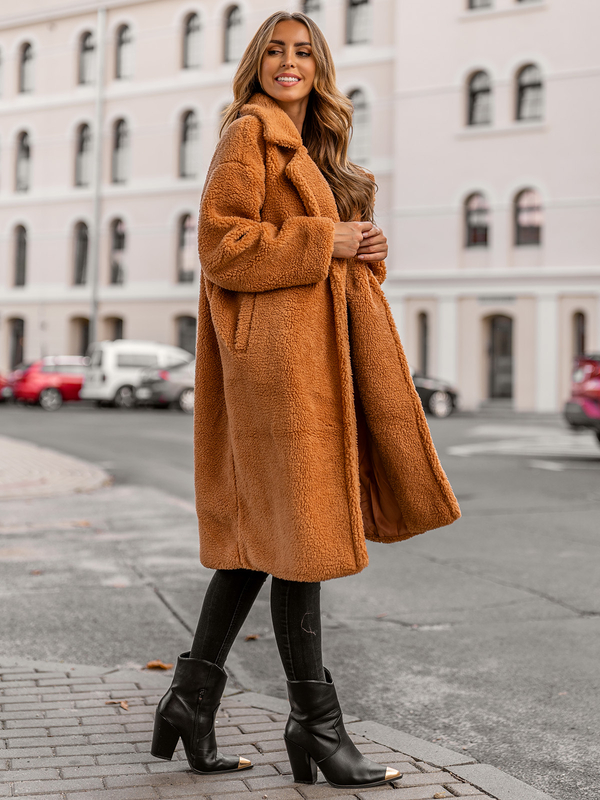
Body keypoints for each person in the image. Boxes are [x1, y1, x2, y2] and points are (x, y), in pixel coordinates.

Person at [151, 11, 460, 790]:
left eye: (303, 52)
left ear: (319, 67)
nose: (289, 63)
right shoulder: (248, 134)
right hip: (276, 375)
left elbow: (330, 259)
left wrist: (365, 248)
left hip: (312, 365)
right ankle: (318, 731)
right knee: (299, 539)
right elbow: (222, 245)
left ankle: (190, 702)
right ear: (257, 63)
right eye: (275, 51)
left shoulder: (314, 150)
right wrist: (328, 241)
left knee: (266, 546)